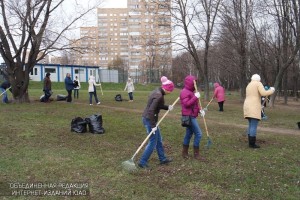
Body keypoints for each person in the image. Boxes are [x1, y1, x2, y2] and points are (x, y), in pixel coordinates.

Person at [138, 76, 175, 169]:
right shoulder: (159, 95)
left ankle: (162, 159)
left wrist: (167, 107)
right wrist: (153, 125)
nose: (171, 92)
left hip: (150, 119)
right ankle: (142, 161)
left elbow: (158, 105)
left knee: (158, 140)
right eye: (171, 90)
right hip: (149, 120)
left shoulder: (158, 91)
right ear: (167, 89)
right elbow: (151, 110)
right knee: (153, 141)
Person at [243, 74, 275, 148]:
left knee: (250, 125)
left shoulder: (249, 85)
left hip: (247, 106)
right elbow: (263, 93)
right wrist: (272, 90)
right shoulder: (258, 83)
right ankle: (252, 144)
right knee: (253, 125)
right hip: (254, 106)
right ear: (259, 79)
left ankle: (250, 142)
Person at [180, 75, 205, 160]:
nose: (195, 85)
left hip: (192, 115)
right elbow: (187, 104)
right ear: (190, 83)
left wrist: (200, 110)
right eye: (194, 83)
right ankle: (196, 154)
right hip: (188, 116)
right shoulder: (184, 92)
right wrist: (195, 97)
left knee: (189, 134)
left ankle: (184, 153)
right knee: (198, 134)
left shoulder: (191, 92)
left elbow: (194, 105)